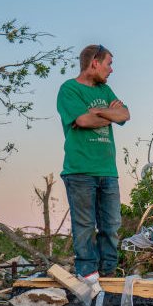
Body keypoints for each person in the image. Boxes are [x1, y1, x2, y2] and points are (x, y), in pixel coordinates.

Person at [57, 44, 130, 280]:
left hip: (108, 171)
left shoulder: (105, 90)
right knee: (85, 227)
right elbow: (82, 120)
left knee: (111, 226)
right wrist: (108, 114)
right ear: (95, 62)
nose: (111, 70)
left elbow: (124, 115)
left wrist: (98, 113)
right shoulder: (69, 89)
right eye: (108, 63)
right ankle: (88, 275)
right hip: (80, 171)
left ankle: (108, 274)